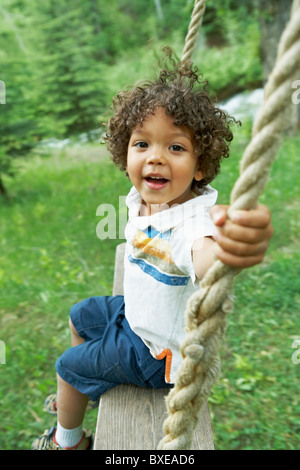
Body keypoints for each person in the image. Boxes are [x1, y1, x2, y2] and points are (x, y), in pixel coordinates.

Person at [31, 51, 273, 450]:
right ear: (125, 153)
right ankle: (89, 387)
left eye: (176, 148)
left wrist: (229, 248)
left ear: (199, 166)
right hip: (137, 317)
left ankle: (68, 439)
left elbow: (202, 253)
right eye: (142, 143)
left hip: (156, 353)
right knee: (80, 316)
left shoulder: (191, 225)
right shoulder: (142, 197)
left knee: (66, 365)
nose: (156, 156)